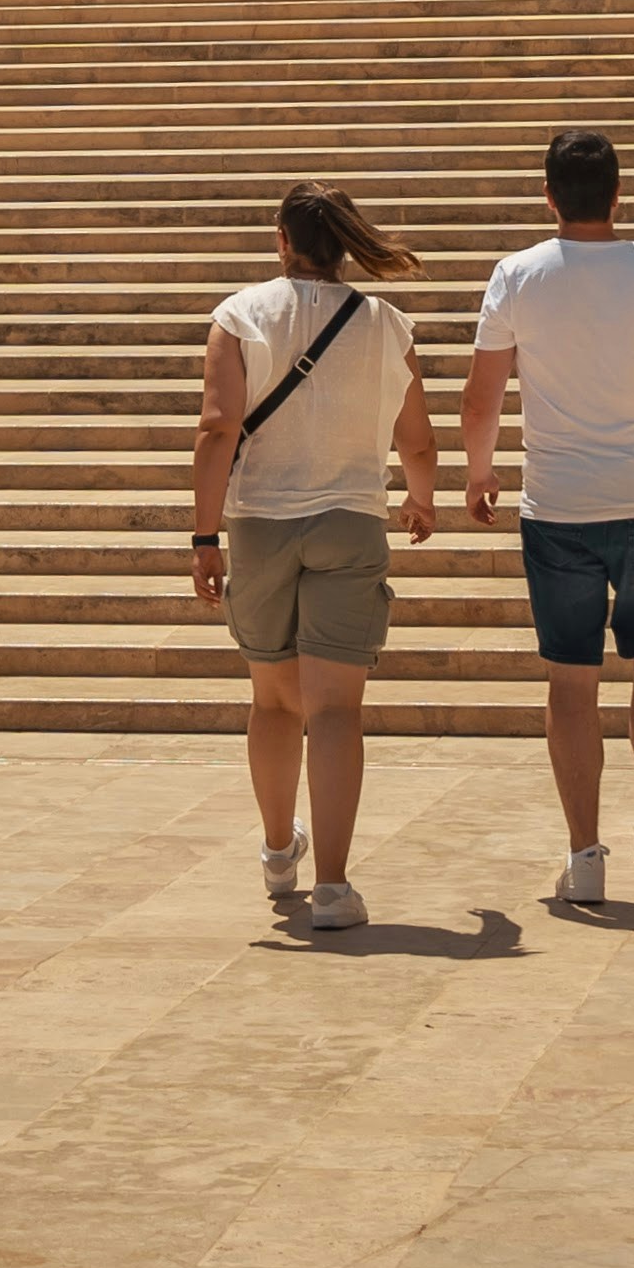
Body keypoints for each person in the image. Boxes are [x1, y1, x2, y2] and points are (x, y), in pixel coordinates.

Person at [461, 128, 634, 906]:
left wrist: (479, 470)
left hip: (557, 505)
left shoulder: (515, 275)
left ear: (548, 195)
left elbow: (481, 394)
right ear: (619, 195)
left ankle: (584, 852)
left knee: (570, 678)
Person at [191, 184, 440, 932]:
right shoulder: (386, 323)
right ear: (343, 243)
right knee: (335, 708)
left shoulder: (239, 314)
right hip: (350, 518)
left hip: (261, 523)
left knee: (272, 699)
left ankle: (277, 852)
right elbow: (417, 435)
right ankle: (333, 885)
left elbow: (215, 427)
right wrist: (421, 497)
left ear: (281, 239)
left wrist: (204, 536)